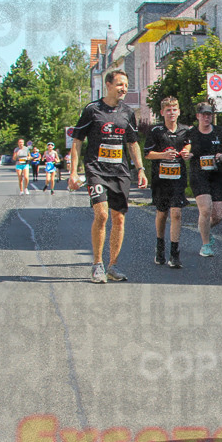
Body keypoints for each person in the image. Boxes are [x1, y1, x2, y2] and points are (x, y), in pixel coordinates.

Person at [68, 70, 148, 283]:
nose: (124, 89)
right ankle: (97, 264)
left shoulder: (127, 112)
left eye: (126, 85)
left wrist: (140, 169)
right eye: (120, 84)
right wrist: (74, 172)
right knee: (102, 215)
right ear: (108, 85)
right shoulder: (92, 110)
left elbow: (132, 143)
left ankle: (112, 265)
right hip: (96, 170)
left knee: (119, 219)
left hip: (119, 172)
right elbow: (77, 141)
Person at [144, 96, 192, 268]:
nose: (171, 113)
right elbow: (147, 154)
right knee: (162, 213)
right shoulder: (156, 131)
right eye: (168, 110)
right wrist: (162, 155)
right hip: (160, 178)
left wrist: (186, 152)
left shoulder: (185, 130)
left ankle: (175, 253)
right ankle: (159, 247)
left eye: (174, 110)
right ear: (162, 112)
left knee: (177, 213)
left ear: (178, 112)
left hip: (178, 178)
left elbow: (188, 145)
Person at [188, 102, 222, 257]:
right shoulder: (191, 134)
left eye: (209, 114)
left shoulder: (219, 132)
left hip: (216, 175)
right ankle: (205, 245)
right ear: (198, 116)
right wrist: (186, 154)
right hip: (198, 175)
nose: (206, 117)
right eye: (203, 114)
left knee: (218, 215)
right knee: (206, 209)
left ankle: (205, 231)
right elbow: (184, 149)